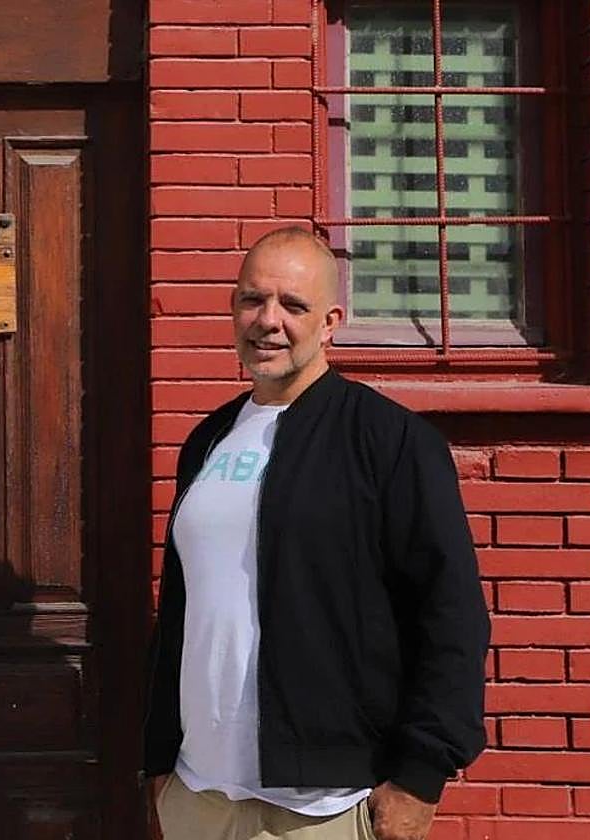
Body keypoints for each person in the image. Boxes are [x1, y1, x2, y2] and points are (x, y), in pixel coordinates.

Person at [142, 227, 489, 840]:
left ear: (330, 322)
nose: (267, 321)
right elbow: (180, 611)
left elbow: (451, 614)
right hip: (199, 797)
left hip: (322, 807)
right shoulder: (208, 441)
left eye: (292, 306)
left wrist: (421, 774)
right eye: (252, 300)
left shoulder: (389, 442)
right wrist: (159, 760)